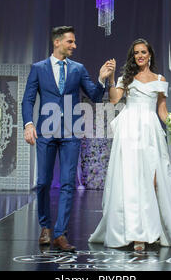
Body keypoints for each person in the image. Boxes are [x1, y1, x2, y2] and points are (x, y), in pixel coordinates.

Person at [88, 38, 171, 251]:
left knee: (152, 181)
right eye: (136, 53)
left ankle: (151, 229)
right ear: (133, 56)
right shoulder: (127, 78)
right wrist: (113, 77)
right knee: (131, 182)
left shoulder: (160, 79)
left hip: (150, 131)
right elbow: (114, 100)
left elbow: (162, 110)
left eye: (143, 52)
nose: (140, 55)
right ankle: (137, 235)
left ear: (150, 54)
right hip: (130, 129)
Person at [21, 26, 113, 252]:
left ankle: (60, 233)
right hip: (46, 130)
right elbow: (28, 100)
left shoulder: (78, 69)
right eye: (70, 42)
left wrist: (102, 79)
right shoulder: (38, 68)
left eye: (74, 42)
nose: (74, 46)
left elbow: (94, 95)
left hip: (71, 132)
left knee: (68, 184)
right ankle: (45, 227)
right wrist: (28, 124)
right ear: (57, 43)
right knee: (42, 182)